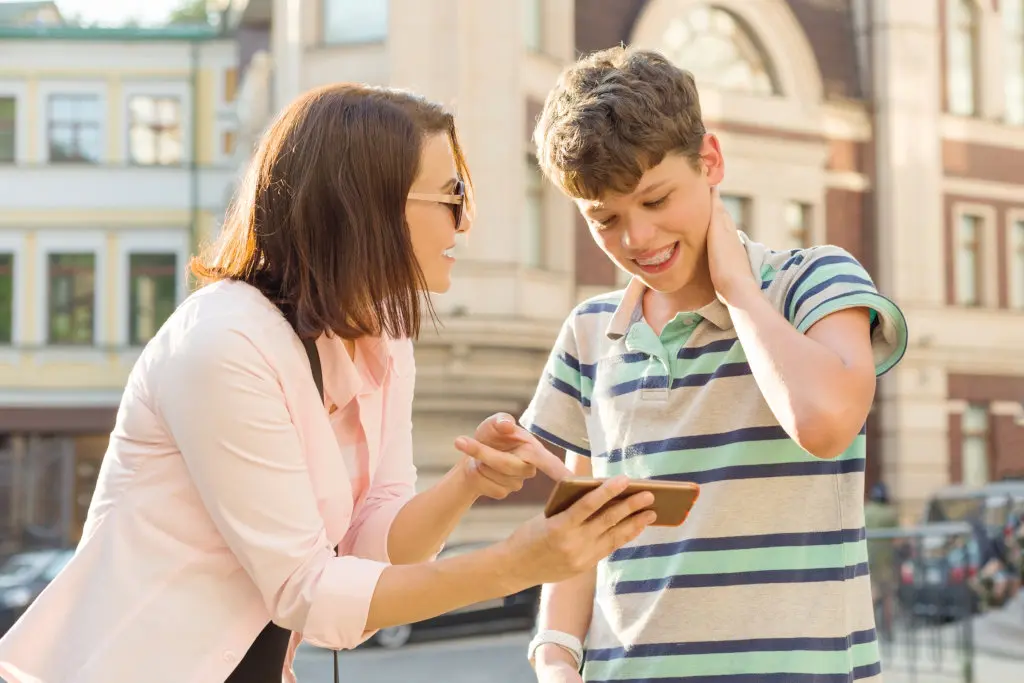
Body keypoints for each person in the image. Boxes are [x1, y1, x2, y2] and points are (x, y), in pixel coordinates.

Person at [0, 83, 657, 683]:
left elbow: (373, 547)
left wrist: (466, 486)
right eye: (453, 196)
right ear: (366, 206)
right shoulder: (224, 344)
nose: (466, 221)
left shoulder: (382, 340)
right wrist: (514, 563)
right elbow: (309, 594)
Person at [519, 47, 909, 682]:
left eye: (655, 199)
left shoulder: (814, 284)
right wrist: (556, 657)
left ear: (711, 162)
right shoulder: (589, 333)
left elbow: (826, 423)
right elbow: (580, 539)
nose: (637, 239)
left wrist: (740, 294)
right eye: (606, 219)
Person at [864, 482, 898, 639]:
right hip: (885, 560)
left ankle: (866, 627)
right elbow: (897, 538)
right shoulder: (890, 513)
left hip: (867, 558)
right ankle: (888, 631)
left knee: (872, 593)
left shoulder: (866, 510)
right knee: (887, 596)